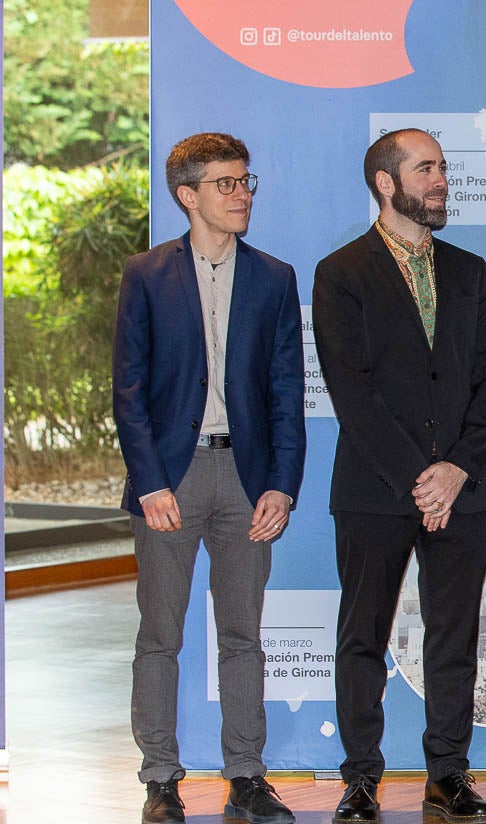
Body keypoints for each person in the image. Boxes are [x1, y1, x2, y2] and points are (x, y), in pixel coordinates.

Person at [313, 128, 486, 824]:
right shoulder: (341, 273)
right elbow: (352, 390)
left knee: (452, 639)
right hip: (373, 488)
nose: (442, 181)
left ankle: (447, 775)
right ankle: (361, 779)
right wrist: (418, 478)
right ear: (385, 183)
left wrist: (455, 469)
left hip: (462, 489)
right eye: (426, 169)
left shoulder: (468, 270)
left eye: (444, 169)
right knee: (362, 635)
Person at [114, 132, 305, 824]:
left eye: (246, 181)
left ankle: (246, 778)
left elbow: (287, 391)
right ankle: (161, 779)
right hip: (170, 478)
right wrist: (150, 481)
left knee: (243, 637)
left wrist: (281, 485)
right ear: (186, 195)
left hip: (248, 482)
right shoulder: (145, 274)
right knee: (159, 635)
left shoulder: (275, 277)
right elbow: (128, 391)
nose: (241, 194)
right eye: (225, 183)